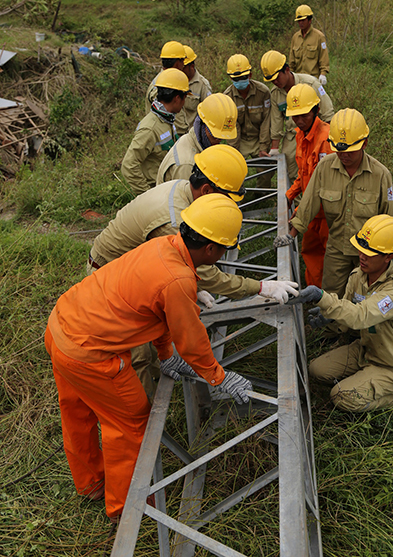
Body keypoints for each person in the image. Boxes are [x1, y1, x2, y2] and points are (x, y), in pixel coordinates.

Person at [45, 194, 299, 523]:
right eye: (224, 248)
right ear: (210, 250)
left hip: (61, 326)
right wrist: (219, 377)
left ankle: (91, 482)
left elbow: (151, 311)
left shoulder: (164, 245)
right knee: (130, 424)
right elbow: (191, 340)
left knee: (77, 411)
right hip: (90, 353)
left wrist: (165, 355)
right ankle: (127, 509)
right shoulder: (178, 279)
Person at [89, 145, 295, 397]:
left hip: (135, 271)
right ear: (207, 189)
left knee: (154, 338)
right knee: (137, 354)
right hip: (110, 279)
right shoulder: (173, 220)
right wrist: (261, 287)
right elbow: (205, 276)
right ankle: (144, 420)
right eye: (226, 197)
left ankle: (160, 372)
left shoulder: (185, 191)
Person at [298, 215, 393, 412]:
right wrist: (330, 317)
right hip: (365, 350)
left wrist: (322, 297)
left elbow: (362, 316)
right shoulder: (357, 277)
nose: (362, 256)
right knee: (316, 370)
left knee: (340, 396)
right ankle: (365, 377)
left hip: (392, 364)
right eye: (362, 250)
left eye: (370, 253)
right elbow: (347, 314)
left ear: (388, 257)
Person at [282, 108, 393, 298]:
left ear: (364, 143)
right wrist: (290, 234)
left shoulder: (381, 175)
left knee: (367, 297)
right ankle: (333, 328)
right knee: (331, 296)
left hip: (369, 251)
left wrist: (383, 257)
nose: (343, 155)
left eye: (349, 150)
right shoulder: (325, 168)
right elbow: (308, 204)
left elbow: (389, 218)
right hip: (337, 247)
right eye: (338, 149)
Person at [284, 83, 333, 287]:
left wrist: (301, 211)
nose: (299, 120)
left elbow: (327, 187)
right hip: (310, 213)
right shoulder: (300, 134)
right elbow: (303, 174)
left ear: (316, 110)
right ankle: (315, 296)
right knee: (310, 253)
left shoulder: (326, 140)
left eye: (304, 115)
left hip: (328, 214)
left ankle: (332, 302)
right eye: (295, 116)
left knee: (332, 259)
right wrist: (289, 195)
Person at [260, 50, 334, 182]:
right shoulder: (276, 93)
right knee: (292, 169)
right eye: (272, 80)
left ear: (287, 70)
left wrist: (328, 140)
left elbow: (327, 114)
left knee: (318, 168)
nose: (275, 82)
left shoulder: (311, 84)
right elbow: (276, 122)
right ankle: (299, 200)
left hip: (316, 131)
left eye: (277, 78)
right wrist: (275, 148)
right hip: (293, 135)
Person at [121, 68, 189, 195]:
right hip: (158, 192)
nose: (184, 103)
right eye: (185, 97)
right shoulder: (150, 129)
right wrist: (147, 194)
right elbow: (129, 165)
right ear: (177, 98)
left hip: (168, 187)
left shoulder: (167, 119)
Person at [156, 92, 238, 184]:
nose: (218, 140)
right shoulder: (186, 165)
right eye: (215, 135)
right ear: (201, 124)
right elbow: (187, 198)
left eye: (222, 137)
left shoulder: (199, 143)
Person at [223, 53, 272, 190]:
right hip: (241, 139)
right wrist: (234, 151)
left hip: (258, 137)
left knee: (266, 169)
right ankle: (239, 195)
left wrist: (263, 147)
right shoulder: (227, 98)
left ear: (250, 75)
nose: (240, 81)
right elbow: (233, 127)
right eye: (236, 78)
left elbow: (266, 121)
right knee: (234, 170)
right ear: (231, 78)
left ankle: (263, 194)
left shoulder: (263, 92)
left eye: (243, 77)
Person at [146, 40, 189, 137]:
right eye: (182, 60)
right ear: (177, 63)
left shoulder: (169, 81)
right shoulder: (161, 85)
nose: (183, 64)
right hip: (166, 136)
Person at [289, 4, 329, 84]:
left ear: (309, 20)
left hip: (313, 81)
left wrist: (323, 74)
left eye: (303, 20)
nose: (300, 23)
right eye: (299, 21)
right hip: (299, 80)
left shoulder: (319, 37)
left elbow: (323, 57)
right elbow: (292, 61)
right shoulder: (295, 37)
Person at [180, 45, 213, 127]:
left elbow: (209, 114)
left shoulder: (203, 85)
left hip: (192, 135)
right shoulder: (175, 81)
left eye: (183, 67)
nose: (179, 69)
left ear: (191, 66)